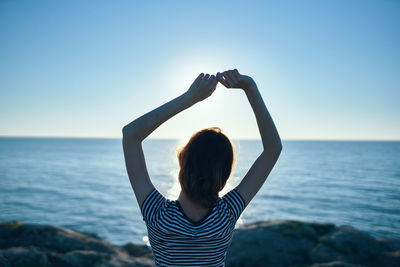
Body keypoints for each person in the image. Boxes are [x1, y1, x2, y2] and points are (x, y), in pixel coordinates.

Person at [122, 69, 282, 266]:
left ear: (183, 162)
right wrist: (250, 88)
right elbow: (273, 149)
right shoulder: (226, 215)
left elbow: (130, 135)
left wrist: (190, 98)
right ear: (224, 174)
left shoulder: (157, 214)